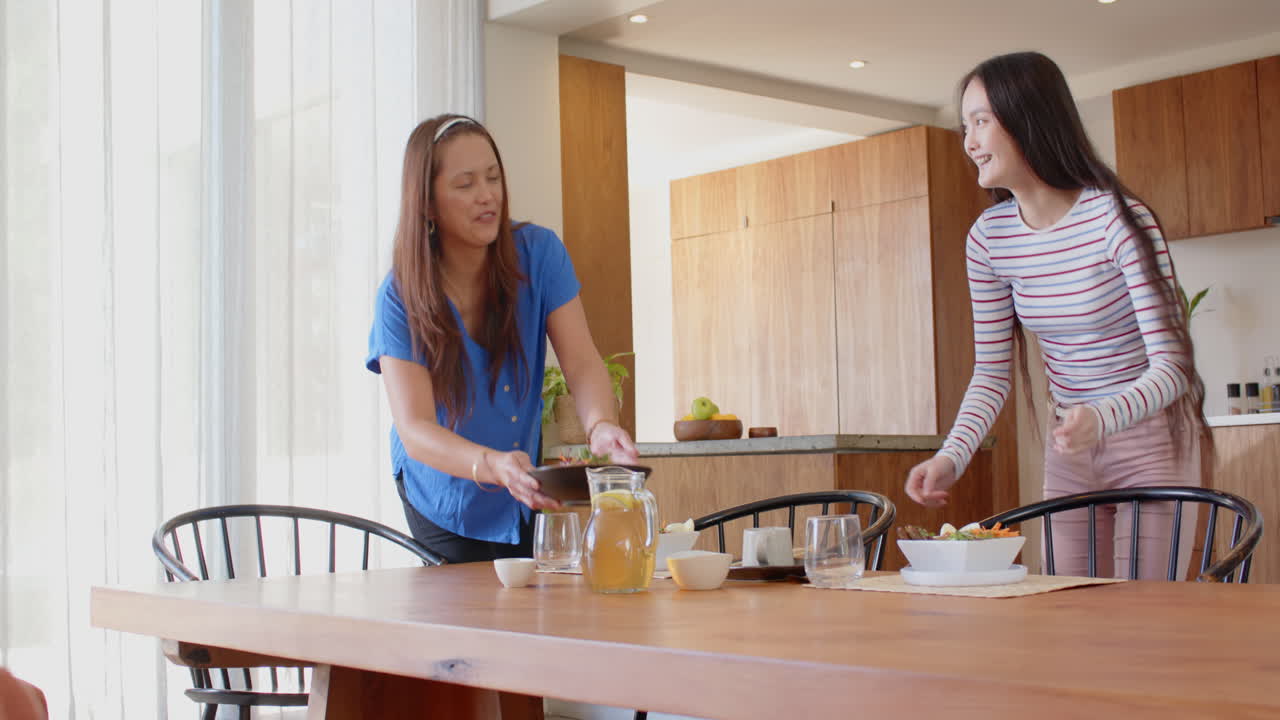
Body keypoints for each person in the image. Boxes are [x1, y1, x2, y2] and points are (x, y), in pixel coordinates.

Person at [904, 52, 1211, 579]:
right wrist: (952, 457)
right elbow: (991, 373)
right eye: (965, 126)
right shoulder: (989, 240)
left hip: (1150, 442)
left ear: (1029, 119)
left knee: (1145, 623)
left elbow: (1173, 367)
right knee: (1071, 616)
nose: (970, 142)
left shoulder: (1118, 218)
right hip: (1071, 448)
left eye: (982, 121)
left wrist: (1103, 416)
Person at [367, 114, 638, 564]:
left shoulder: (539, 254)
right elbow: (415, 430)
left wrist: (600, 425)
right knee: (469, 620)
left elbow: (583, 363)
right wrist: (491, 465)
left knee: (530, 612)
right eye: (465, 184)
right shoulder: (401, 296)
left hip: (520, 485)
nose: (487, 195)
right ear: (428, 204)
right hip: (443, 493)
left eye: (493, 178)